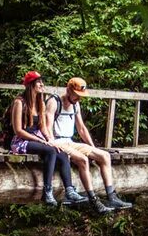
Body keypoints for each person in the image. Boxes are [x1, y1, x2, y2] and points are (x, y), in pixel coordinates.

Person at [46, 77, 133, 210]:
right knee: (83, 160)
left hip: (70, 141)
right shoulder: (54, 101)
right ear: (68, 90)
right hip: (57, 141)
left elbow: (81, 128)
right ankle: (93, 199)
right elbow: (47, 126)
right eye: (76, 95)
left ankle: (112, 196)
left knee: (104, 156)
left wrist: (92, 147)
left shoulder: (76, 105)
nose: (78, 98)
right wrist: (52, 143)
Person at [7, 71, 77, 207]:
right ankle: (47, 191)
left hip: (37, 138)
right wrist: (40, 141)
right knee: (51, 151)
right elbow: (18, 130)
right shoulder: (19, 102)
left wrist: (50, 140)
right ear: (30, 85)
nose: (42, 84)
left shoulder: (40, 103)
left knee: (61, 153)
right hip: (22, 141)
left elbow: (43, 127)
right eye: (39, 82)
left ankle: (70, 190)